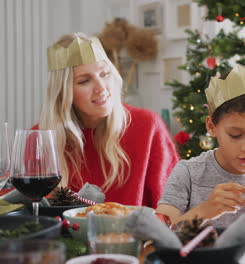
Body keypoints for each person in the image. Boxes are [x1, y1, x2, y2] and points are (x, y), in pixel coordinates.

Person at [38, 32, 178, 208]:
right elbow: (15, 204)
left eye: (104, 74)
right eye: (84, 81)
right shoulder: (41, 138)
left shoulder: (147, 125)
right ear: (63, 93)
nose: (101, 87)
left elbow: (173, 205)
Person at [156, 64, 245, 227]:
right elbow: (158, 235)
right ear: (211, 126)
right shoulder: (188, 173)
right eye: (235, 135)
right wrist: (205, 211)